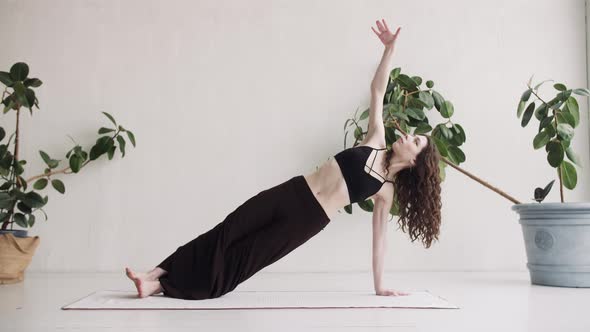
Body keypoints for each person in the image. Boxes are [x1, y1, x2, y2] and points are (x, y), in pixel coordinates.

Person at [125, 18, 442, 300]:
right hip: (294, 191)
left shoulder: (385, 191)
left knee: (243, 259)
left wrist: (380, 285)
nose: (408, 136)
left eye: (415, 141)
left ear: (416, 161)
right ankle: (154, 274)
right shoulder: (376, 139)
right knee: (229, 229)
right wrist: (390, 49)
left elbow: (379, 242)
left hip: (307, 220)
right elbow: (377, 90)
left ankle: (161, 286)